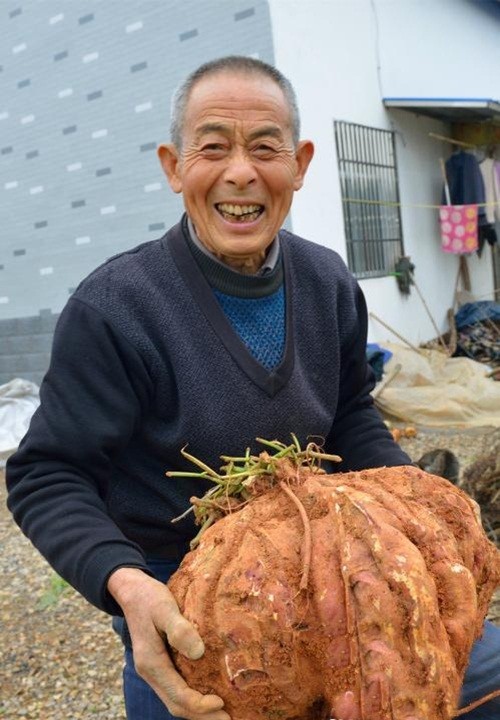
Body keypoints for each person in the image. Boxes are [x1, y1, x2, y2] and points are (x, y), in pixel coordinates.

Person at [5, 56, 500, 720]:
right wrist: (126, 584)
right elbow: (48, 473)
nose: (241, 171)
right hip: (190, 602)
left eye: (265, 147)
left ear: (299, 164)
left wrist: (411, 519)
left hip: (334, 571)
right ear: (174, 166)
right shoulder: (115, 308)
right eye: (213, 147)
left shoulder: (327, 282)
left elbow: (348, 410)